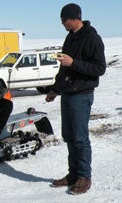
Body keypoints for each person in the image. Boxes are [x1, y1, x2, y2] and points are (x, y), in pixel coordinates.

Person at [46, 3, 106, 195]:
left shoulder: (92, 38)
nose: (62, 23)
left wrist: (74, 63)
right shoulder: (70, 37)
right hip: (68, 93)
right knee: (69, 137)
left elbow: (99, 69)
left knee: (80, 138)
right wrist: (55, 89)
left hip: (82, 95)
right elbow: (64, 67)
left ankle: (84, 177)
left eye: (63, 19)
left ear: (74, 18)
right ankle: (73, 175)